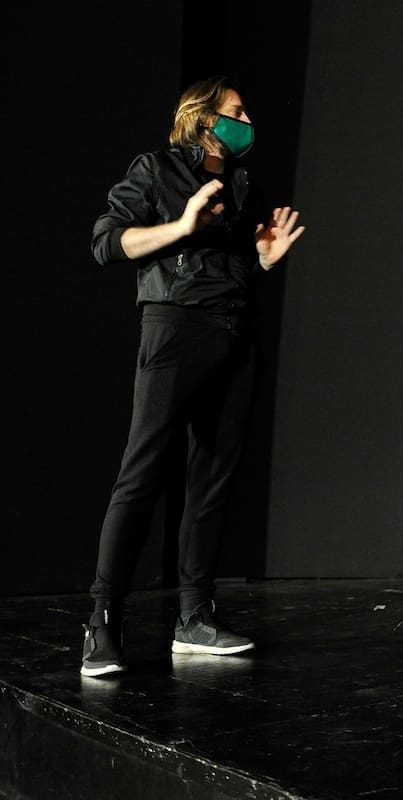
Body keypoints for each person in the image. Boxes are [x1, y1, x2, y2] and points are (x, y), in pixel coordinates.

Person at [80, 76, 306, 676]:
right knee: (143, 475)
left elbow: (232, 262)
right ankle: (101, 624)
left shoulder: (243, 184)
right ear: (204, 118)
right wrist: (180, 227)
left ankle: (194, 618)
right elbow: (107, 243)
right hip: (176, 328)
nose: (247, 119)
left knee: (212, 480)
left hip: (234, 333)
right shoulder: (156, 169)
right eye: (237, 111)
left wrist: (260, 258)